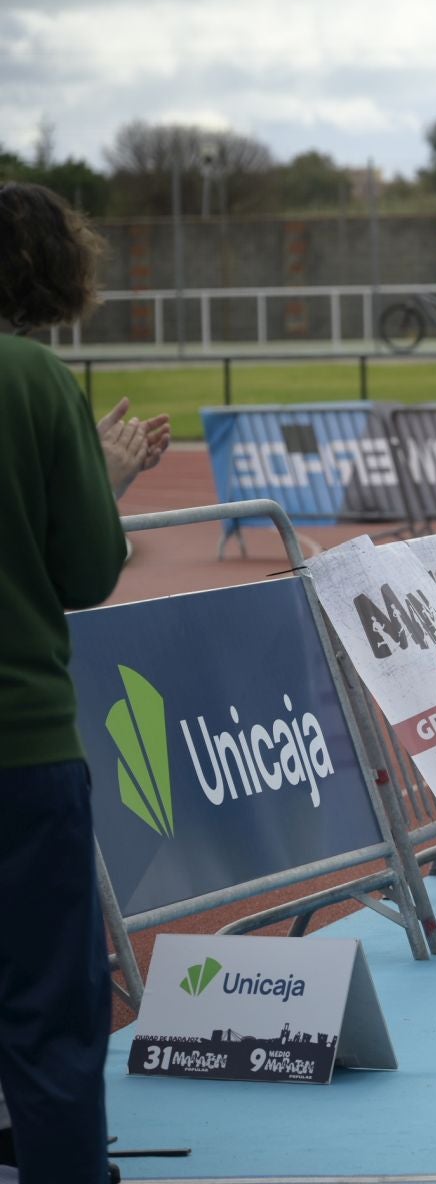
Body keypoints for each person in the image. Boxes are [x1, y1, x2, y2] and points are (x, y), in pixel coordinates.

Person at [0, 182, 166, 1184]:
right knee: (51, 1004)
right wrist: (104, 481)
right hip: (19, 746)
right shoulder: (34, 380)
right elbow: (83, 571)